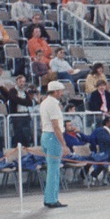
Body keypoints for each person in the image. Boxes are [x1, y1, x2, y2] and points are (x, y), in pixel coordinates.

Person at [39, 80, 69, 209]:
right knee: (54, 169)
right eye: (60, 91)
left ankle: (49, 197)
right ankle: (51, 199)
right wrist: (63, 144)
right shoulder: (52, 104)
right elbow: (56, 126)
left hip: (46, 135)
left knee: (52, 168)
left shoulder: (45, 102)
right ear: (56, 92)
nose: (61, 93)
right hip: (52, 136)